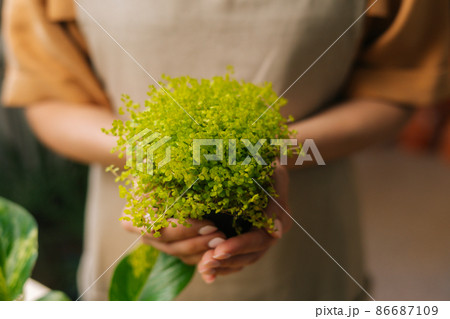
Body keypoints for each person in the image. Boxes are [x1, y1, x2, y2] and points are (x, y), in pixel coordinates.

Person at [2, 0, 449, 300]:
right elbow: (48, 95)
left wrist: (265, 153)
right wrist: (158, 156)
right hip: (133, 237)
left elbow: (398, 85)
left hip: (307, 236)